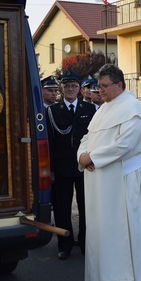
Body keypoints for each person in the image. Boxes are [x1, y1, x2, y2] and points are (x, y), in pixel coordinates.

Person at [77, 64, 141, 281]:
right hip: (102, 182)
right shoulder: (103, 110)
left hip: (124, 183)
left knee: (124, 235)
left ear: (119, 85)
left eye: (104, 86)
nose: (99, 91)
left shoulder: (133, 109)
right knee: (103, 234)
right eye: (98, 86)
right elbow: (86, 138)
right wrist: (82, 155)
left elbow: (125, 145)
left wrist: (92, 158)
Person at [47, 70, 97, 260]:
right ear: (62, 88)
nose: (70, 89)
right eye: (66, 86)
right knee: (62, 207)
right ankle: (64, 244)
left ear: (79, 89)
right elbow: (50, 141)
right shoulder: (52, 111)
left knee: (87, 206)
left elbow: (95, 138)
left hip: (84, 166)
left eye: (74, 86)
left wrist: (93, 159)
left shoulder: (89, 109)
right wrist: (50, 168)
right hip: (61, 167)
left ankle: (86, 243)